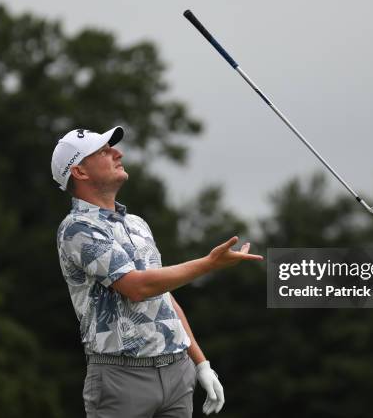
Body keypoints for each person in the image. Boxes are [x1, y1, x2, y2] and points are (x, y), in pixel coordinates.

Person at [51, 126, 264, 418]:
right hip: (120, 378)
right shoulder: (77, 228)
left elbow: (164, 297)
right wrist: (210, 264)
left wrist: (200, 363)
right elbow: (137, 287)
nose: (118, 153)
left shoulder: (138, 224)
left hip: (177, 371)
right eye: (104, 151)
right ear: (80, 172)